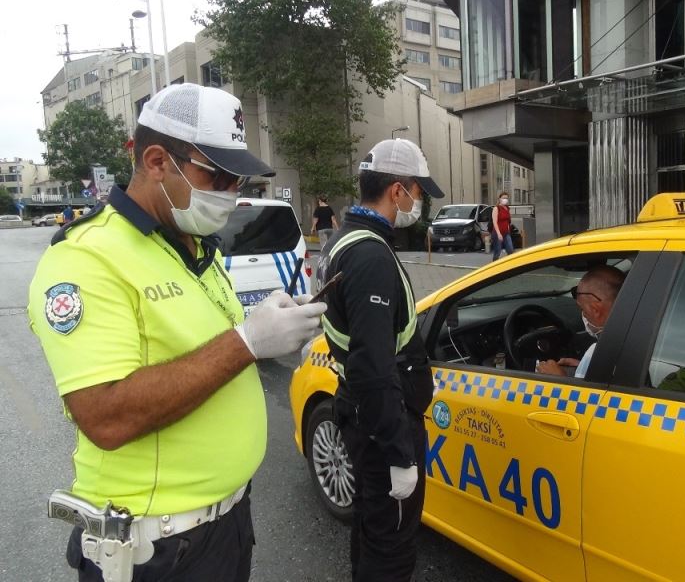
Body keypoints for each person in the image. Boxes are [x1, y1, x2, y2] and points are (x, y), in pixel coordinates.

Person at [28, 83, 326, 582]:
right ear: (157, 161)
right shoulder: (86, 258)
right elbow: (104, 415)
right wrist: (248, 342)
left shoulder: (195, 248)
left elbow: (208, 347)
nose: (233, 192)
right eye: (220, 175)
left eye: (240, 180)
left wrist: (272, 327)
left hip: (226, 524)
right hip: (156, 550)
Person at [317, 138, 444, 582]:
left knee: (372, 531)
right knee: (390, 550)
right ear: (396, 191)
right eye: (418, 191)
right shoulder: (371, 254)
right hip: (382, 427)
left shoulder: (345, 239)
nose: (419, 202)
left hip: (360, 414)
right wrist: (399, 453)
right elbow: (374, 366)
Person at [536, 265, 625, 378]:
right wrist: (583, 366)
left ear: (595, 310)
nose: (583, 315)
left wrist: (560, 378)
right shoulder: (636, 335)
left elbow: (586, 395)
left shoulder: (598, 353)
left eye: (582, 309)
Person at [491, 191, 514, 261]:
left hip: (506, 233)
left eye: (506, 198)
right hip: (498, 233)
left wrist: (508, 230)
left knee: (510, 249)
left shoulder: (507, 208)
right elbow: (494, 222)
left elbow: (508, 221)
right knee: (497, 251)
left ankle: (508, 265)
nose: (505, 200)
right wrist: (498, 234)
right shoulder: (496, 208)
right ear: (500, 199)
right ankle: (494, 265)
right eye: (504, 198)